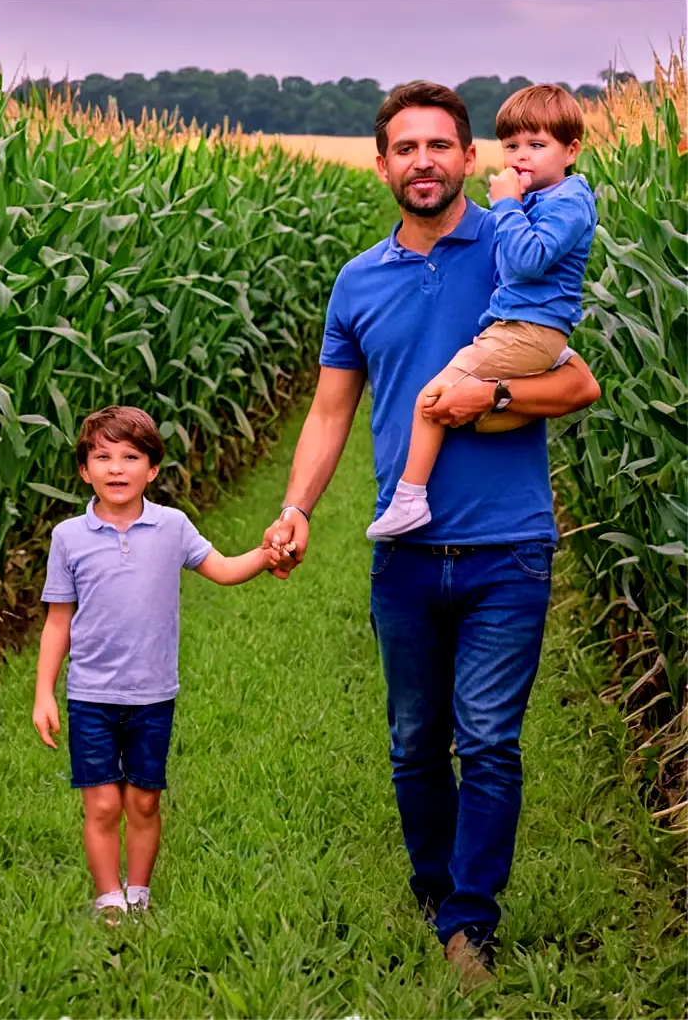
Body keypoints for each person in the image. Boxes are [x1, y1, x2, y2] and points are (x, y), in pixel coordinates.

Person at [263, 82, 600, 988]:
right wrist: (295, 507)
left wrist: (485, 395)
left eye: (440, 146)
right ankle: (434, 888)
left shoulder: (515, 244)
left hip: (508, 546)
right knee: (416, 739)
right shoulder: (358, 281)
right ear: (381, 164)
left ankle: (470, 924)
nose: (423, 162)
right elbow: (330, 413)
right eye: (405, 148)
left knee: (487, 739)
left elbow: (578, 386)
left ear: (468, 157)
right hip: (406, 554)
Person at [33, 405, 287, 924]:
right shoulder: (69, 537)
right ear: (84, 470)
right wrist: (44, 693)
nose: (117, 468)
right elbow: (59, 622)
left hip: (152, 695)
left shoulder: (172, 527)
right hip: (90, 696)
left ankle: (139, 891)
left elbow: (222, 569)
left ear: (152, 469)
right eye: (102, 457)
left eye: (131, 456)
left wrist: (265, 554)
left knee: (144, 802)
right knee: (102, 805)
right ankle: (109, 899)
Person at [367, 84, 598, 540]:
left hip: (527, 330)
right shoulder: (544, 200)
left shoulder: (567, 201)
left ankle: (409, 497)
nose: (520, 157)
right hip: (522, 329)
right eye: (511, 146)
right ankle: (503, 413)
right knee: (467, 408)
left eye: (536, 145)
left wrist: (507, 204)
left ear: (571, 151)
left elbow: (528, 259)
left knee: (431, 400)